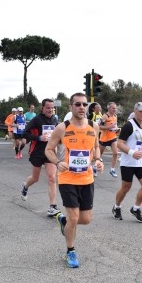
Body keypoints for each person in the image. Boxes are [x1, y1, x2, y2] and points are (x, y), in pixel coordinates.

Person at [46, 93, 103, 268]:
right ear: (71, 107)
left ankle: (63, 221)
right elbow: (49, 149)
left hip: (87, 179)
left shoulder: (94, 126)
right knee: (74, 217)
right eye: (77, 104)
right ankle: (70, 251)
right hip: (67, 179)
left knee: (85, 219)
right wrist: (57, 162)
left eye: (84, 104)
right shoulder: (62, 128)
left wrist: (98, 160)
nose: (81, 107)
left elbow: (95, 148)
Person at [112, 102, 142, 223]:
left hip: (141, 162)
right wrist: (131, 153)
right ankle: (116, 207)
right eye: (141, 111)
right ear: (135, 111)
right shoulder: (128, 126)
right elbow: (119, 144)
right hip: (128, 162)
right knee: (126, 187)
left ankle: (136, 208)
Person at [21, 98, 61, 217]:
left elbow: (58, 134)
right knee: (35, 178)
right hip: (37, 152)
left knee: (52, 178)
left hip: (50, 152)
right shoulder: (36, 119)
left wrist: (57, 143)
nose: (50, 110)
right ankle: (25, 186)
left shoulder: (55, 119)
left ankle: (52, 207)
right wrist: (39, 138)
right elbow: (25, 134)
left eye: (52, 107)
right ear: (43, 108)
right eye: (48, 107)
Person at [98, 102, 120, 177]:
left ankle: (112, 169)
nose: (115, 109)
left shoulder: (115, 116)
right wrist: (108, 127)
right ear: (109, 108)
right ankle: (95, 167)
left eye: (115, 108)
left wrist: (117, 130)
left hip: (113, 137)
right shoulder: (105, 116)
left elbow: (114, 126)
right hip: (104, 138)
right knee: (99, 155)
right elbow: (99, 127)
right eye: (113, 108)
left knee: (116, 153)